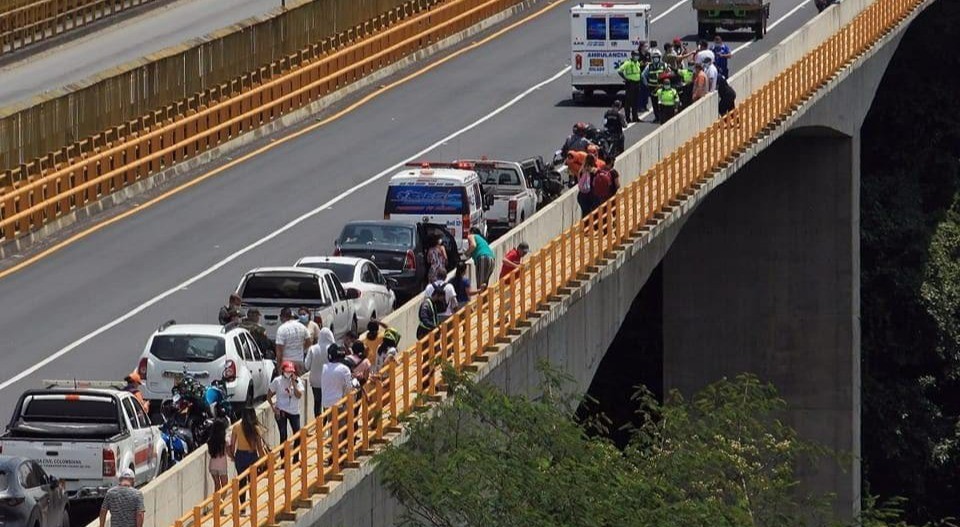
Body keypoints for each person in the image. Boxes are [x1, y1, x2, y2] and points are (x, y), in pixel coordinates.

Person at [228, 406, 268, 505]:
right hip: (252, 456)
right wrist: (263, 462)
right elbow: (260, 448)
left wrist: (233, 457)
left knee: (242, 482)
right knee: (252, 481)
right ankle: (253, 503)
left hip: (240, 456)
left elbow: (232, 445)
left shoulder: (236, 427)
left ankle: (242, 505)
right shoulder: (255, 429)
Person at [268, 361, 303, 443]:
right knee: (283, 435)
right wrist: (273, 407)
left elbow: (299, 395)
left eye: (291, 371)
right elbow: (269, 395)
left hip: (294, 411)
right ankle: (283, 451)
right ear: (283, 371)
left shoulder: (297, 381)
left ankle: (296, 451)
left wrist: (294, 384)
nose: (289, 373)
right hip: (281, 410)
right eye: (287, 371)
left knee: (297, 435)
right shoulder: (277, 381)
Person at [303, 327, 334, 418]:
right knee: (327, 403)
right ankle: (325, 422)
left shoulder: (313, 349)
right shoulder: (332, 348)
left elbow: (307, 366)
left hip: (315, 381)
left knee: (317, 402)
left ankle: (318, 422)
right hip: (328, 381)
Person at [320, 344, 357, 411]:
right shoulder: (344, 369)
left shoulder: (324, 368)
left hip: (326, 404)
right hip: (339, 404)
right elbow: (349, 388)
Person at [275, 307, 308, 373]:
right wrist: (302, 348)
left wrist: (278, 366)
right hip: (299, 361)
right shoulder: (301, 326)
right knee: (299, 379)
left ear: (282, 317)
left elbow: (279, 350)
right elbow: (309, 340)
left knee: (286, 379)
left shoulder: (281, 329)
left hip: (286, 362)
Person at [617, 51, 644, 122]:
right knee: (628, 102)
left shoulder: (637, 63)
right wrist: (625, 78)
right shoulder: (628, 63)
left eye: (637, 55)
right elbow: (619, 71)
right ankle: (628, 118)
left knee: (635, 101)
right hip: (630, 84)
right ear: (632, 55)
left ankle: (635, 117)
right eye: (635, 55)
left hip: (637, 83)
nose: (637, 57)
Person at [641, 50, 668, 123]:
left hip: (662, 87)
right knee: (654, 103)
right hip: (653, 88)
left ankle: (663, 117)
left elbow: (668, 73)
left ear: (659, 57)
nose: (656, 59)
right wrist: (646, 84)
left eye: (657, 57)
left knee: (663, 102)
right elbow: (643, 75)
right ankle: (657, 117)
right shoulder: (649, 66)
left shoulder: (664, 65)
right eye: (654, 57)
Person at [207, 417, 229, 491]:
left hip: (212, 465)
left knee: (217, 485)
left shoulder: (210, 441)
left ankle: (216, 498)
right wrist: (234, 457)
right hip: (221, 466)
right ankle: (222, 499)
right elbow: (228, 452)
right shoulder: (224, 441)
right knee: (225, 486)